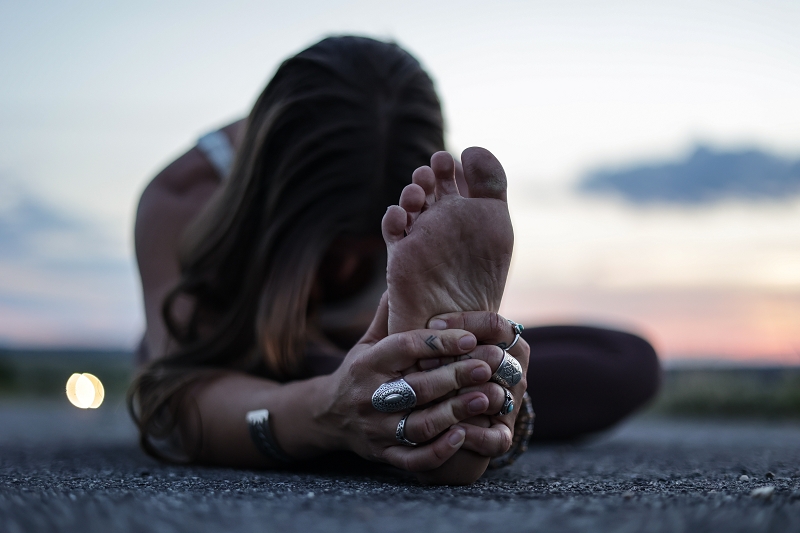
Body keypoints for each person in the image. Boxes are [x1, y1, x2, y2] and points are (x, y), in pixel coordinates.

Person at [131, 36, 660, 485]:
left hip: (379, 357)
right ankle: (385, 414)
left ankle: (411, 408)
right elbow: (175, 401)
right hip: (234, 366)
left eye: (367, 253)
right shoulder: (184, 200)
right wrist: (327, 406)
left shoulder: (421, 198)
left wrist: (477, 365)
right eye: (328, 251)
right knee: (258, 379)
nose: (342, 276)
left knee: (625, 360)